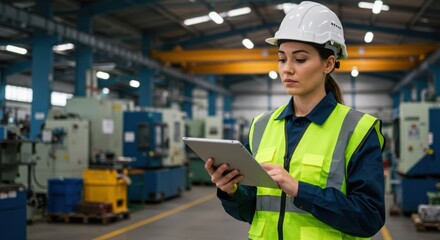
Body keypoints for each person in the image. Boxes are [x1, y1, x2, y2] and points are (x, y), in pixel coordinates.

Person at [204, 1, 385, 240]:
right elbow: (251, 212)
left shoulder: (358, 130)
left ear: (328, 64)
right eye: (282, 59)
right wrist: (231, 191)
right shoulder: (261, 126)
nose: (287, 69)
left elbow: (368, 217)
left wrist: (300, 190)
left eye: (299, 60)